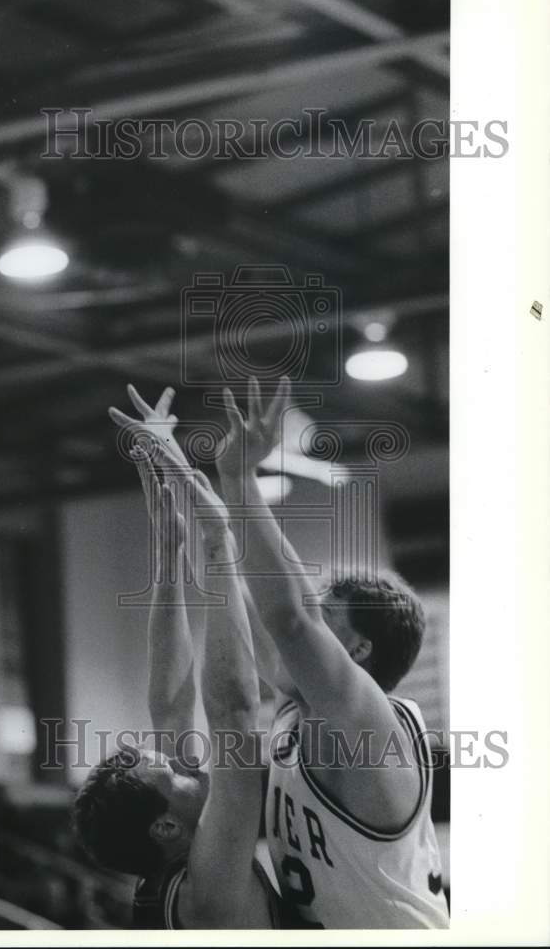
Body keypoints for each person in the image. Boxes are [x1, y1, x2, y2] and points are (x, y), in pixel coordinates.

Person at [210, 376, 449, 929]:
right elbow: (283, 602)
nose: (314, 619)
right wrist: (213, 524)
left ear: (359, 650)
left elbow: (293, 619)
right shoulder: (300, 704)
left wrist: (239, 479)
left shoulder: (374, 724)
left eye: (329, 618)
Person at [73, 387, 284, 929]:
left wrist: (168, 557)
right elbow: (234, 710)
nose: (187, 756)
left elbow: (169, 705)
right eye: (176, 770)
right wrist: (216, 545)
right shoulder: (208, 889)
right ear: (166, 827)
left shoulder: (171, 874)